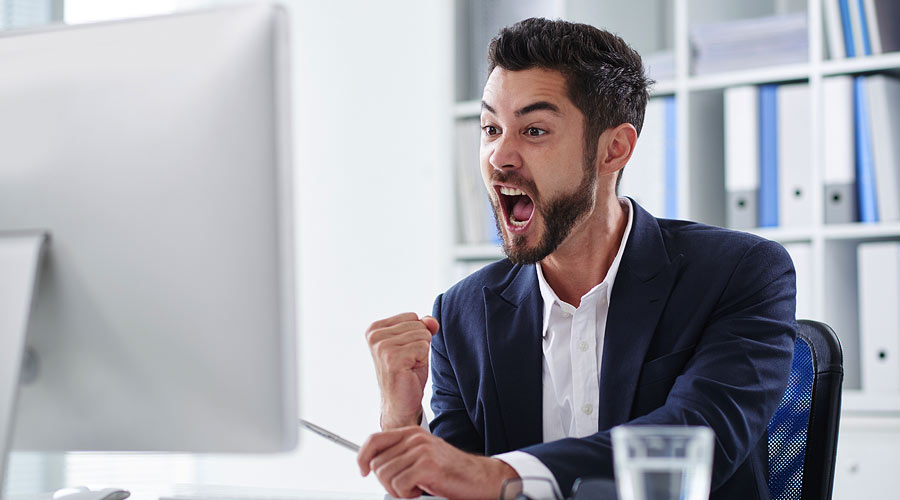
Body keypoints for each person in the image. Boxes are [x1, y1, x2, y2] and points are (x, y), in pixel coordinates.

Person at [358, 18, 797, 500]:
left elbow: (695, 439)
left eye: (535, 130)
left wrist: (502, 476)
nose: (499, 156)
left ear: (614, 149)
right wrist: (402, 423)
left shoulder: (741, 273)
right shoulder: (461, 317)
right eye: (490, 128)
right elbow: (452, 483)